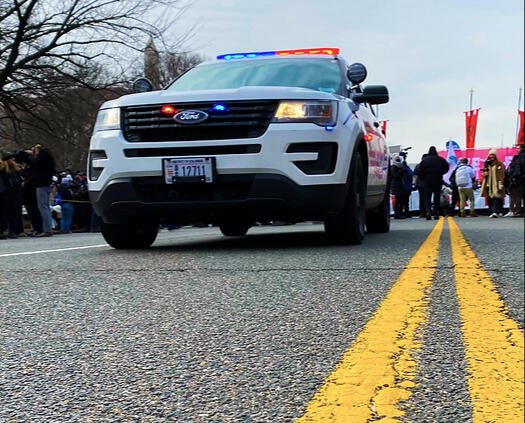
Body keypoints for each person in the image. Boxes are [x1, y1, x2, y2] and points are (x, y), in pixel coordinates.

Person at [413, 146, 449, 220]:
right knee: (436, 197)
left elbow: (419, 171)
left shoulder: (424, 160)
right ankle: (436, 213)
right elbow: (446, 168)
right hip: (437, 180)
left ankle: (428, 212)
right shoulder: (440, 159)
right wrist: (440, 173)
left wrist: (423, 177)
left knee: (427, 197)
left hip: (427, 181)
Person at [30, 144, 56, 237]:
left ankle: (47, 229)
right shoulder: (49, 160)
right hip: (48, 184)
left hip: (42, 184)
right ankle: (48, 228)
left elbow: (34, 164)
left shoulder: (41, 160)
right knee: (47, 207)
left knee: (43, 207)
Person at [0, 152, 24, 239]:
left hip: (6, 195)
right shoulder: (13, 171)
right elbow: (17, 182)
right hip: (13, 195)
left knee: (5, 214)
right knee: (13, 214)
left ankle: (4, 230)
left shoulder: (4, 170)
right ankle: (12, 231)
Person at [480, 148, 506, 218]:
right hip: (488, 183)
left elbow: (502, 173)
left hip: (496, 183)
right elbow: (482, 173)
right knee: (490, 198)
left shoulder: (499, 163)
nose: (492, 156)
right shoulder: (486, 163)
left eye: (493, 155)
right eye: (491, 155)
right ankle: (494, 211)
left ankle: (495, 212)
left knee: (496, 197)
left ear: (495, 155)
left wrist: (501, 182)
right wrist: (484, 173)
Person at [505, 144, 525, 217]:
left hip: (519, 180)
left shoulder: (518, 157)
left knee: (518, 196)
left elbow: (517, 169)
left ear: (522, 148)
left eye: (518, 148)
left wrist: (513, 177)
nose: (517, 149)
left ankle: (518, 212)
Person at [400, 152, 414, 218]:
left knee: (403, 200)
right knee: (405, 200)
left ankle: (404, 213)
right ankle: (406, 213)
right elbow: (410, 173)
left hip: (404, 185)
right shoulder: (404, 165)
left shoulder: (400, 165)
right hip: (406, 185)